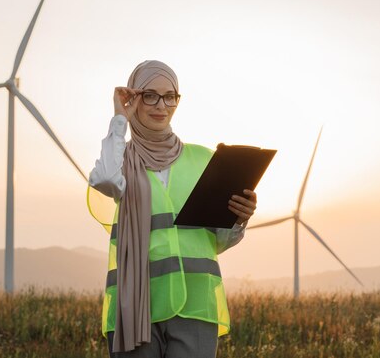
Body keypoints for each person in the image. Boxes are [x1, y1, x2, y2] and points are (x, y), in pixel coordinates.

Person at [88, 60, 257, 358]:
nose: (161, 105)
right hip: (135, 308)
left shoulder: (203, 159)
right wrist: (119, 120)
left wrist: (238, 219)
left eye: (170, 96)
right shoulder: (121, 159)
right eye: (149, 95)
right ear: (133, 98)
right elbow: (103, 180)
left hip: (195, 305)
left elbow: (217, 241)